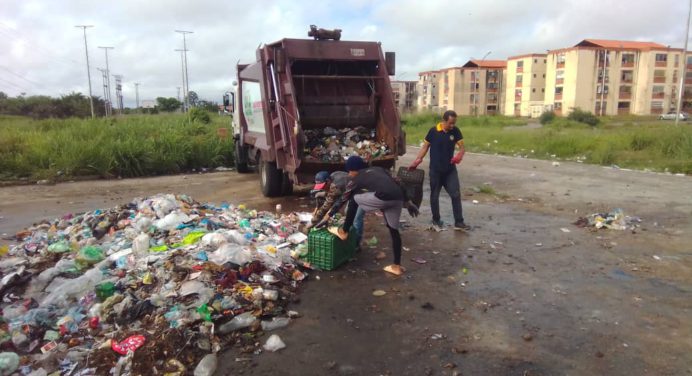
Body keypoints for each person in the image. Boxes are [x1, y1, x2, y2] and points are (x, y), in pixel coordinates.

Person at [327, 156, 419, 276]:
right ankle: (396, 266)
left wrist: (329, 214)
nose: (349, 174)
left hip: (384, 197)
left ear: (355, 169)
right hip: (398, 198)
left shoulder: (356, 179)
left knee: (354, 199)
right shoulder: (379, 169)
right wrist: (408, 202)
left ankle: (344, 231)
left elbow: (344, 198)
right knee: (394, 231)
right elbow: (398, 182)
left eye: (350, 171)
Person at [408, 110, 470, 230]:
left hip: (450, 171)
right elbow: (425, 147)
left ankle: (459, 221)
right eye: (451, 123)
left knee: (456, 194)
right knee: (434, 196)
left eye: (454, 123)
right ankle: (436, 220)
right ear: (444, 120)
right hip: (435, 171)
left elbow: (462, 148)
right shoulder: (433, 131)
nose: (452, 126)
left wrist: (459, 156)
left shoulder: (455, 131)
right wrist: (417, 160)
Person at [308, 170, 365, 250]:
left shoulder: (336, 185)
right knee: (347, 213)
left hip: (362, 194)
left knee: (356, 218)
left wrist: (314, 221)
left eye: (323, 186)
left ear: (328, 181)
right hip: (351, 193)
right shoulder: (333, 176)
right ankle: (351, 237)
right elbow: (337, 195)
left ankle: (356, 245)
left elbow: (328, 204)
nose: (323, 188)